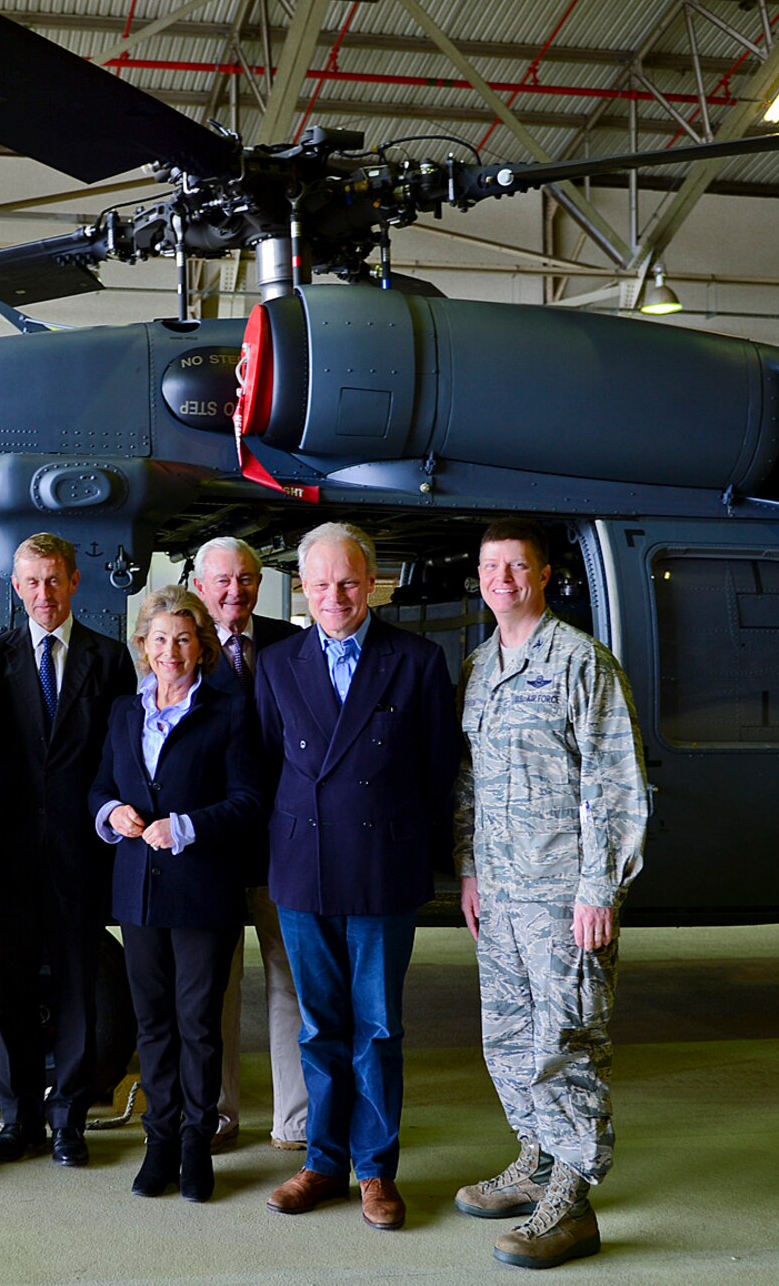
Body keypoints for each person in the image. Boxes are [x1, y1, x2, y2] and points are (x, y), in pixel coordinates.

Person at [451, 518, 648, 1270]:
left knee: (566, 1042)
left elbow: (615, 780)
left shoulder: (580, 661)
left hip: (564, 897)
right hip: (499, 895)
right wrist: (469, 869)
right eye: (489, 566)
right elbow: (470, 782)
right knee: (508, 1037)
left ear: (543, 575)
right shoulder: (478, 666)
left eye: (516, 565)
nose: (501, 578)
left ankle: (573, 1198)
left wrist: (601, 888)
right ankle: (535, 1161)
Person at [254, 521, 460, 1232]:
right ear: (303, 588)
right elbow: (268, 759)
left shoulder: (418, 660)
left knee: (376, 1029)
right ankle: (321, 1162)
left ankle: (375, 1171)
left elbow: (438, 773)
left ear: (372, 582)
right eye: (319, 584)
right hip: (303, 868)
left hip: (382, 869)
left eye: (347, 581)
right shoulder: (276, 663)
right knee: (319, 1028)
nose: (334, 595)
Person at [89, 586, 263, 1203]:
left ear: (202, 646)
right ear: (143, 645)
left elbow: (249, 801)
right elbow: (100, 788)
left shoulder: (230, 709)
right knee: (152, 1023)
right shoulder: (122, 711)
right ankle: (158, 1141)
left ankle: (196, 1145)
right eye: (159, 639)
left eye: (184, 639)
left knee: (197, 1024)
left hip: (202, 893)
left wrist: (186, 825)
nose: (170, 650)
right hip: (138, 893)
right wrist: (112, 813)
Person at [0, 532, 132, 1167]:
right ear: (17, 588)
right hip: (5, 848)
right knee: (7, 987)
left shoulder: (110, 658)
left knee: (78, 986)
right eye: (31, 582)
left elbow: (117, 756)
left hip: (79, 849)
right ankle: (20, 1120)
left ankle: (70, 1119)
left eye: (54, 580)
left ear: (74, 582)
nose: (44, 593)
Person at [191, 535, 308, 1155]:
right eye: (224, 581)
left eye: (247, 580)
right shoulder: (179, 643)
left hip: (282, 845)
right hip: (210, 844)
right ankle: (216, 1115)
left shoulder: (293, 642)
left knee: (291, 982)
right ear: (201, 585)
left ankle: (296, 1122)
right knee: (216, 985)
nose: (236, 592)